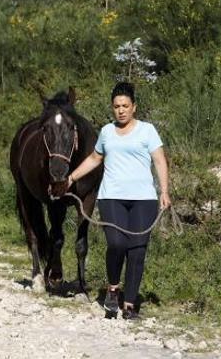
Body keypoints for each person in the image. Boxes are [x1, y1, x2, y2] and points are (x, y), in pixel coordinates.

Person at [66, 82, 170, 320]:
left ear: (134, 107)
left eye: (125, 105)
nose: (121, 110)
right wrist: (71, 177)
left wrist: (164, 191)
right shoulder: (106, 132)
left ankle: (130, 304)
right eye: (116, 106)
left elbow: (160, 160)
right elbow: (94, 158)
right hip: (111, 196)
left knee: (137, 251)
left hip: (143, 199)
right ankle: (113, 289)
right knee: (117, 243)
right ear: (112, 108)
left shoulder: (147, 130)